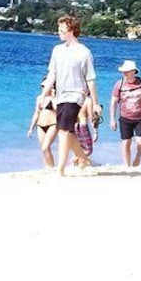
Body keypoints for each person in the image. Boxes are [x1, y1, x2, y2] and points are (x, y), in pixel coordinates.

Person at [40, 14, 101, 176]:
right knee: (67, 130)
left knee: (64, 132)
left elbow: (90, 79)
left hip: (76, 95)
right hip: (60, 95)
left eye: (62, 28)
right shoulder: (57, 50)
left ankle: (60, 168)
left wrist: (95, 103)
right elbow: (51, 74)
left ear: (72, 30)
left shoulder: (84, 52)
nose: (58, 31)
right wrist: (44, 95)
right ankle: (83, 157)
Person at [109, 60, 141, 167]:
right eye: (123, 71)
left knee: (140, 142)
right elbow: (113, 102)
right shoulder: (119, 85)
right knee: (126, 143)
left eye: (126, 71)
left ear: (133, 71)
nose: (124, 73)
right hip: (125, 118)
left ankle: (138, 156)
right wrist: (112, 119)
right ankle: (127, 166)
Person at [26, 77, 58, 168]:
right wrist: (31, 128)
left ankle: (51, 167)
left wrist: (53, 97)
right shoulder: (39, 98)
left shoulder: (55, 98)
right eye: (42, 86)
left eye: (45, 86)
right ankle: (47, 166)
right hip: (40, 125)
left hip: (52, 124)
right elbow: (36, 113)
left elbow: (58, 111)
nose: (43, 88)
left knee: (45, 147)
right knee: (44, 149)